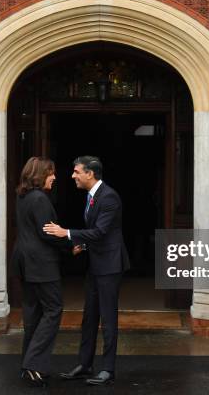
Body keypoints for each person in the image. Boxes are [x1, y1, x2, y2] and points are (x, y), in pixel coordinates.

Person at [43, 156, 130, 386]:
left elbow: (101, 231)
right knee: (89, 316)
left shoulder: (109, 196)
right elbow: (98, 233)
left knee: (108, 318)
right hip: (95, 263)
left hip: (110, 266)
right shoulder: (91, 196)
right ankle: (85, 364)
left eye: (76, 172)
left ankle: (108, 370)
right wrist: (84, 244)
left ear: (90, 174)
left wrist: (67, 233)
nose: (73, 176)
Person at [11, 156, 72, 387]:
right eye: (51, 173)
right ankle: (34, 364)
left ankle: (29, 366)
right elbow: (49, 232)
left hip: (25, 263)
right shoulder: (39, 199)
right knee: (54, 309)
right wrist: (70, 243)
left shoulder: (23, 195)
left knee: (33, 314)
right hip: (40, 264)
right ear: (40, 175)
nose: (55, 177)